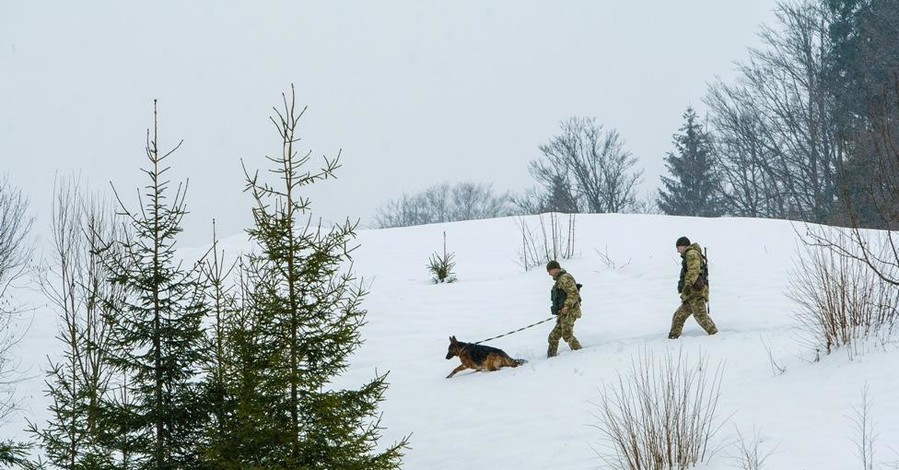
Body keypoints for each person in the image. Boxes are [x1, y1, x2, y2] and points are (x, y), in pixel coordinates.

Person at [668, 236, 718, 339]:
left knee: (700, 316)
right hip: (691, 293)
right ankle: (673, 337)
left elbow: (693, 271)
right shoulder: (690, 254)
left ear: (683, 246)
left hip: (695, 292)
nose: (677, 251)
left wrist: (687, 285)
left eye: (678, 247)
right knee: (679, 316)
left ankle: (715, 335)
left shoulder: (691, 254)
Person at [546, 260, 583, 357]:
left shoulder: (565, 278)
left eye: (549, 271)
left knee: (567, 334)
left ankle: (580, 353)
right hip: (563, 313)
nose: (549, 274)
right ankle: (550, 358)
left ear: (554, 269)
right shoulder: (559, 280)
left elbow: (574, 293)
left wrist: (566, 306)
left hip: (570, 311)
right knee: (553, 337)